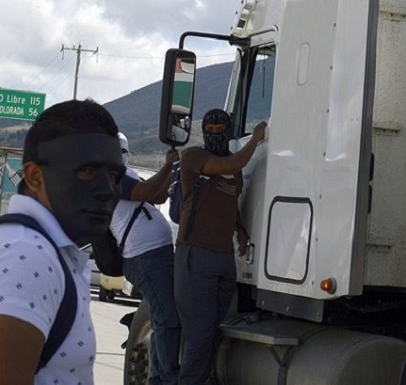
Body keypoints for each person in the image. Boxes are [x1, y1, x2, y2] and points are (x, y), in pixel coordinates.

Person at [0, 99, 125, 384]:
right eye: (87, 171)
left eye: (114, 175)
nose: (106, 190)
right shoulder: (29, 255)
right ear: (34, 176)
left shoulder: (46, 251)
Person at [174, 109, 266, 384]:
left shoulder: (232, 167)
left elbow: (229, 202)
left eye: (220, 127)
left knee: (214, 331)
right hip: (195, 255)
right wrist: (256, 140)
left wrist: (240, 231)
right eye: (209, 128)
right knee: (200, 335)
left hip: (224, 258)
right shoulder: (193, 157)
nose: (215, 132)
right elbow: (229, 167)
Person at [111, 132, 181, 385]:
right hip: (144, 256)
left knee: (162, 317)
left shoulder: (127, 176)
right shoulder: (111, 178)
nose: (122, 154)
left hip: (155, 253)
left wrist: (171, 172)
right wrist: (168, 166)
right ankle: (167, 378)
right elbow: (145, 192)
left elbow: (158, 196)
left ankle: (158, 377)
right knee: (167, 318)